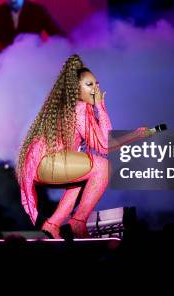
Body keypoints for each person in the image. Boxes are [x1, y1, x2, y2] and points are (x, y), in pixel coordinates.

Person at [17, 54, 154, 238]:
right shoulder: (78, 109)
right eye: (89, 85)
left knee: (85, 176)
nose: (96, 89)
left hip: (44, 164)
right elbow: (104, 146)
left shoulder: (78, 108)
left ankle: (53, 224)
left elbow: (103, 143)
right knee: (102, 167)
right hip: (46, 161)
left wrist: (136, 134)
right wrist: (101, 107)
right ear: (76, 89)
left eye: (96, 84)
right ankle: (77, 223)